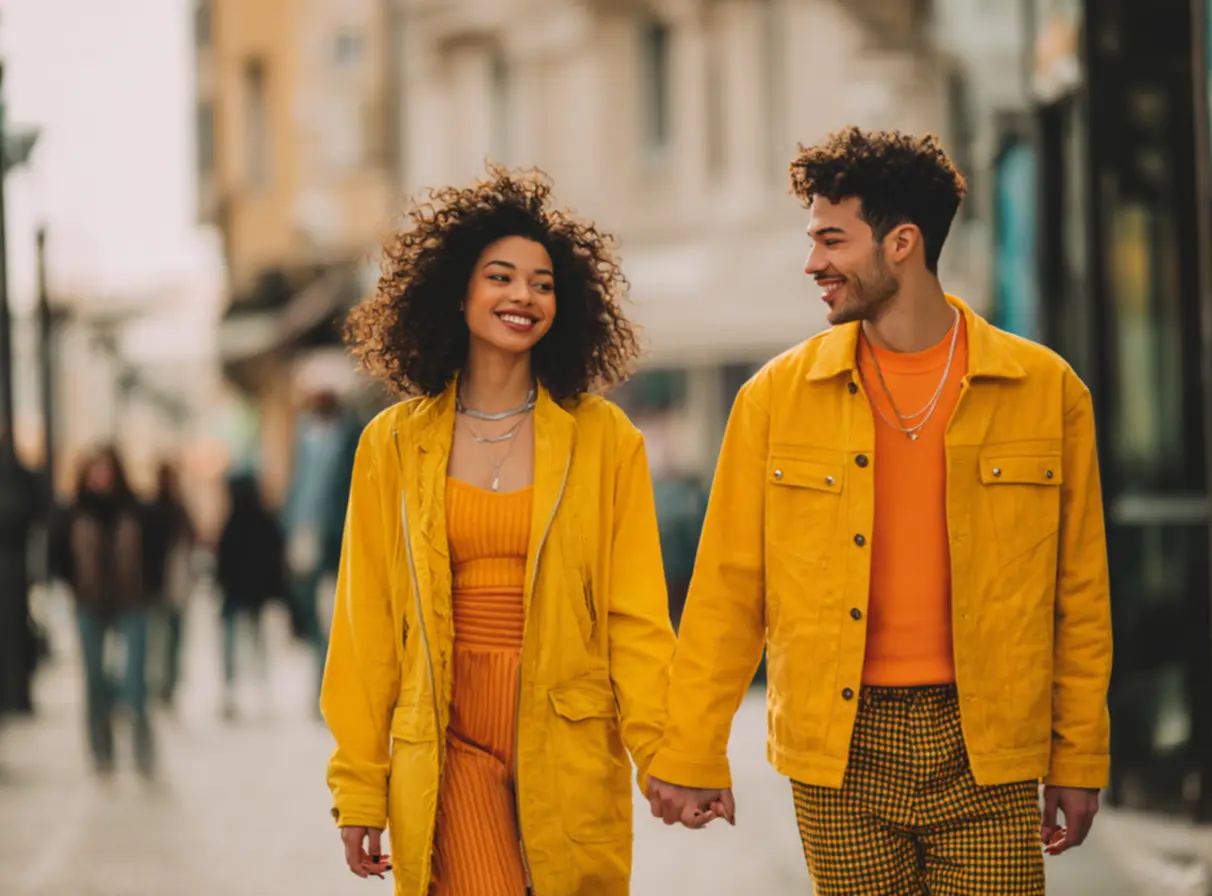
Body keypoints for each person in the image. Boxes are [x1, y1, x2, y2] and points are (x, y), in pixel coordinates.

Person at [645, 128, 1113, 895]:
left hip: (988, 745)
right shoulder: (775, 399)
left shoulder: (1045, 391)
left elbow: (1080, 595)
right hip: (838, 749)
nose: (812, 263)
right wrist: (691, 750)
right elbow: (729, 589)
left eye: (832, 240)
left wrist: (1079, 755)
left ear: (902, 243)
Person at [323, 167, 676, 895]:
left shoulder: (605, 440)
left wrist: (669, 755)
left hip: (567, 739)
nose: (524, 296)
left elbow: (636, 618)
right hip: (447, 740)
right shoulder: (393, 444)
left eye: (543, 284)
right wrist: (359, 785)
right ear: (458, 293)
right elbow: (365, 628)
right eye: (501, 277)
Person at [50, 446, 156, 777]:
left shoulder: (134, 510)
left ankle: (142, 748)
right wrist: (73, 586)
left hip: (132, 601)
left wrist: (151, 587)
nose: (102, 476)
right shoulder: (74, 512)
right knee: (94, 677)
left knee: (134, 678)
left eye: (107, 469)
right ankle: (101, 748)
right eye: (96, 469)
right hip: (89, 602)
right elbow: (58, 555)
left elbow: (155, 550)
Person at [282, 390, 359, 701]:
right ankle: (321, 678)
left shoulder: (351, 434)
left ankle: (334, 681)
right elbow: (298, 482)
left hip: (340, 534)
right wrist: (290, 524)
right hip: (307, 531)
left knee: (338, 611)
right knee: (311, 608)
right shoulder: (304, 434)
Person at [215, 472, 286, 720]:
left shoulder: (234, 523)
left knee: (236, 643)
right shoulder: (264, 521)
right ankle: (254, 691)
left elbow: (223, 561)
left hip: (238, 594)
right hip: (252, 594)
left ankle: (236, 691)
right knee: (253, 643)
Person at [142, 461, 196, 707]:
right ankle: (164, 684)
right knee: (166, 638)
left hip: (170, 583)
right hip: (163, 584)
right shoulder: (171, 511)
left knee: (164, 638)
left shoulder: (173, 510)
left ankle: (164, 684)